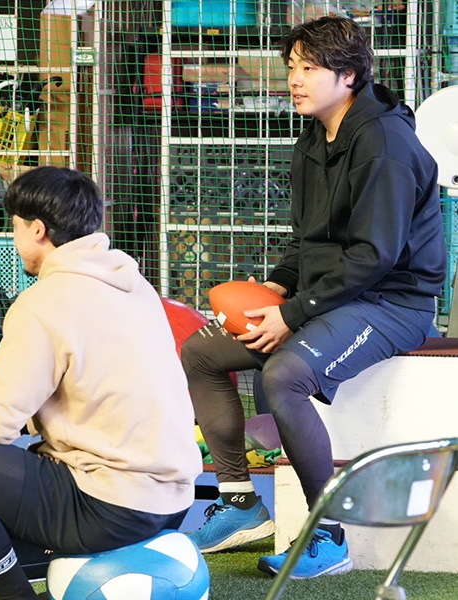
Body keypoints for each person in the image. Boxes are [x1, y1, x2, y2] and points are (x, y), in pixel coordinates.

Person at [182, 16, 446, 578]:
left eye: (309, 69)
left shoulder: (385, 145)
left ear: (347, 75)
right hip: (335, 294)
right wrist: (280, 282)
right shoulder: (314, 133)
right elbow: (310, 238)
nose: (294, 81)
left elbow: (373, 257)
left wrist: (292, 314)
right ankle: (237, 505)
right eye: (292, 68)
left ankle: (328, 538)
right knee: (201, 354)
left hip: (393, 303)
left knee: (283, 376)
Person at [0, 166, 203, 600]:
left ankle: (16, 596)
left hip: (109, 507)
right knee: (17, 461)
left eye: (14, 229)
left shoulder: (40, 303)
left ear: (38, 230)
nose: (14, 242)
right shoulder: (134, 284)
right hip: (175, 502)